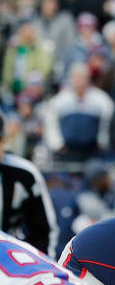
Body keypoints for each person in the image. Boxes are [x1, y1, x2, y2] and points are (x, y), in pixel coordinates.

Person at [0, 110, 56, 257]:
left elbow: (44, 230)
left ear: (4, 142)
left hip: (10, 259)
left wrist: (45, 269)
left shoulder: (24, 174)